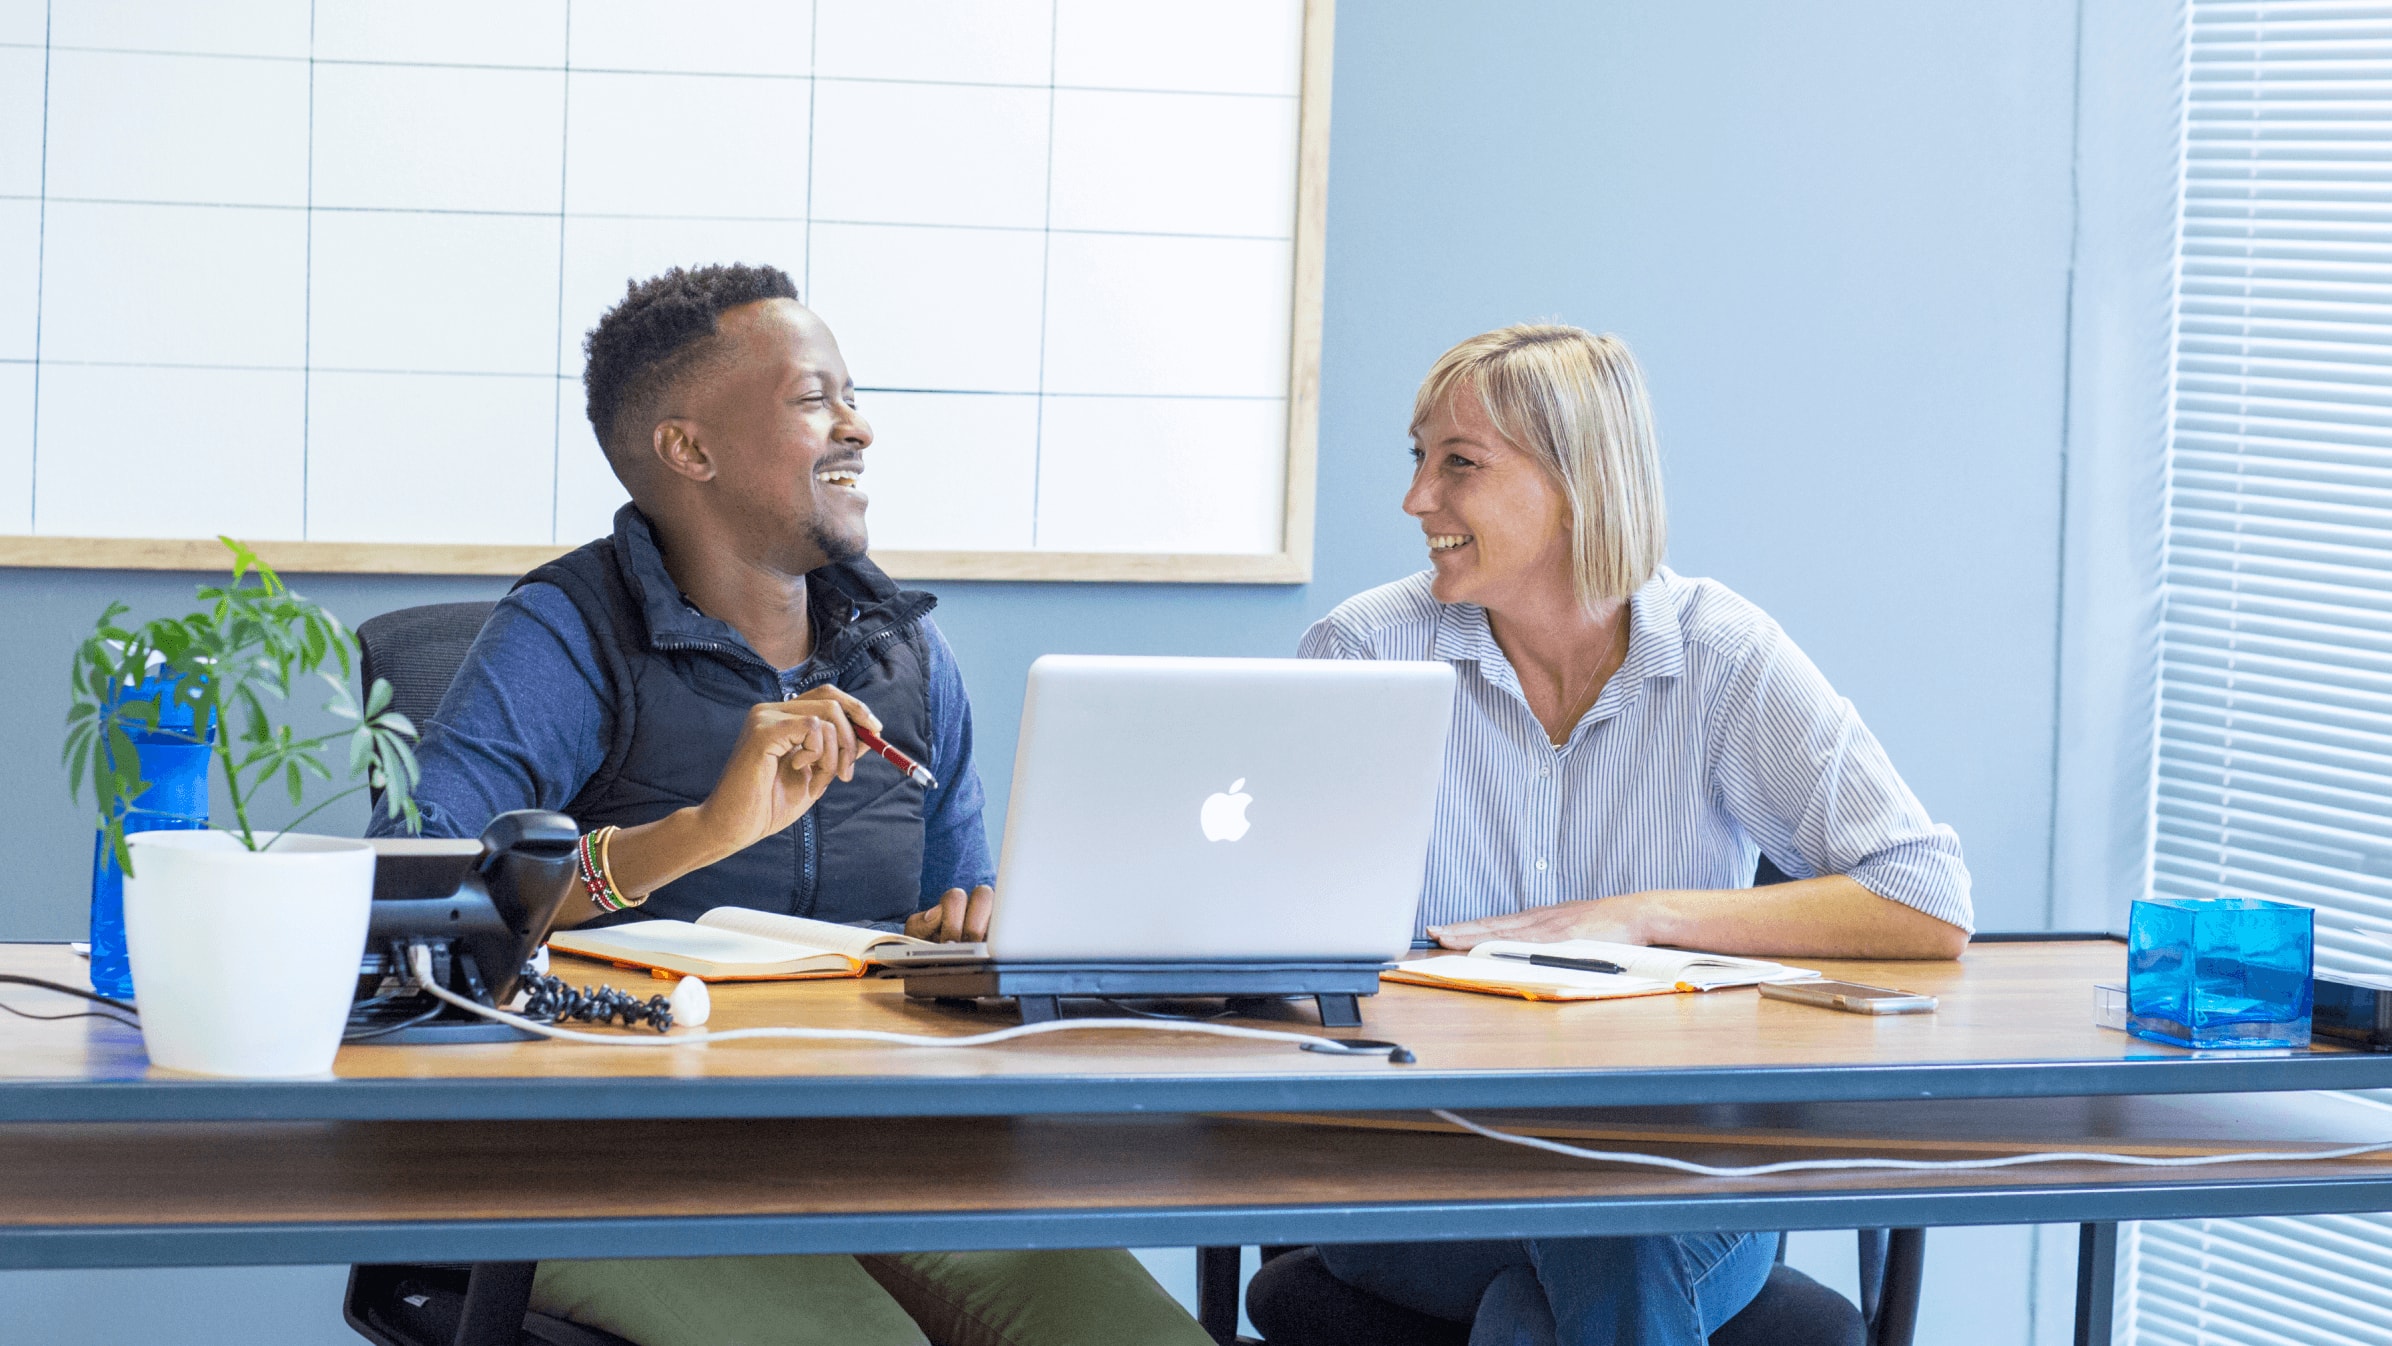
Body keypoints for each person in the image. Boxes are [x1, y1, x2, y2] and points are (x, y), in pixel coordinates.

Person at [374, 264, 1210, 1346]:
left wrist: (981, 931)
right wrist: (696, 834)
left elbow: (950, 910)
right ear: (692, 449)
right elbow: (418, 901)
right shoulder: (566, 633)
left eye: (850, 394)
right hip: (599, 1162)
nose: (856, 426)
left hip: (874, 1143)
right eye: (815, 399)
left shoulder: (906, 652)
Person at [1297, 324, 1973, 1346]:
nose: (1415, 500)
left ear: (1579, 484)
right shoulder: (1365, 653)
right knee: (1607, 1234)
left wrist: (1644, 917)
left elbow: (1925, 896)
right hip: (1421, 1153)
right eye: (1418, 457)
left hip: (1672, 1154)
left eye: (1459, 464)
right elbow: (1262, 924)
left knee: (1578, 1261)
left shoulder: (1720, 656)